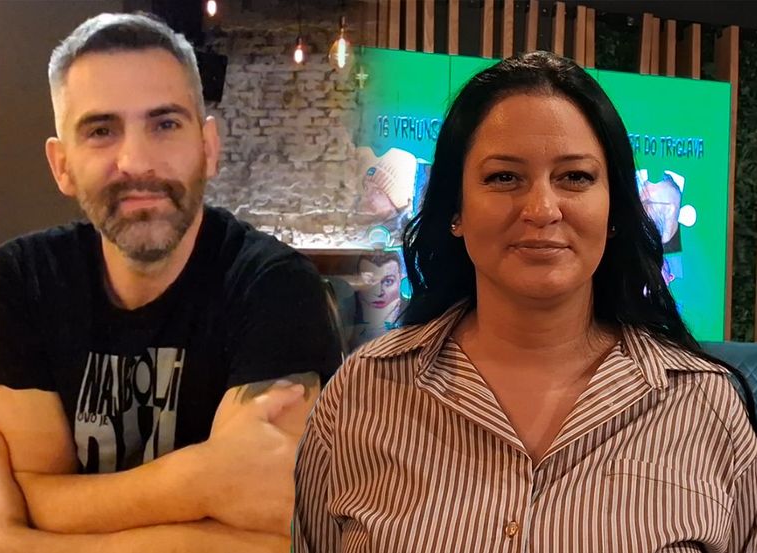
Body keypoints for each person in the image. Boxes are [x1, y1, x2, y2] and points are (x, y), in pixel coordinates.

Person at [294, 51, 756, 552]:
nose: (541, 209)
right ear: (456, 210)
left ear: (614, 210)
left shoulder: (706, 406)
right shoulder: (361, 395)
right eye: (504, 177)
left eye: (575, 177)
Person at [0, 12, 341, 552]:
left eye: (165, 124)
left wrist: (27, 544)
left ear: (208, 147)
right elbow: (31, 496)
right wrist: (202, 480)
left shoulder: (277, 289)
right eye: (101, 130)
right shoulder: (20, 282)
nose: (136, 162)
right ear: (62, 165)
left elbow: (272, 532)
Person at [350, 252, 403, 349]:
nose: (378, 292)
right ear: (357, 281)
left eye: (388, 281)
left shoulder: (413, 313)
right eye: (369, 281)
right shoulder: (344, 312)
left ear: (400, 280)